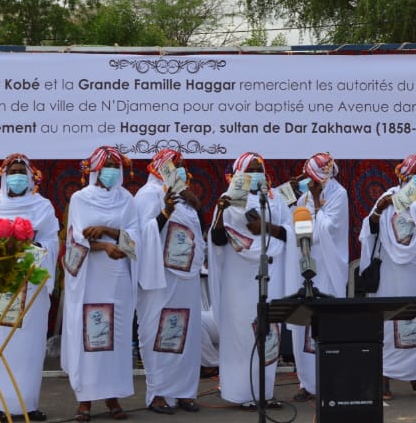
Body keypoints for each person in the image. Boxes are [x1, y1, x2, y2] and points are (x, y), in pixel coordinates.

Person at [61, 146, 141, 422]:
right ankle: (85, 400)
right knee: (89, 335)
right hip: (88, 276)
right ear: (94, 169)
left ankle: (113, 396)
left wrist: (109, 233)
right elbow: (75, 240)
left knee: (116, 338)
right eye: (105, 165)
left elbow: (134, 237)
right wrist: (104, 246)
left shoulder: (127, 199)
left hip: (117, 275)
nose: (110, 171)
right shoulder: (80, 198)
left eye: (114, 166)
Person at [0, 153, 59, 422]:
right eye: (11, 171)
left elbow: (52, 243)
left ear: (30, 176)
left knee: (29, 349)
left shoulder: (43, 206)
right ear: (3, 176)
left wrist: (33, 247)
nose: (16, 176)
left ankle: (26, 404)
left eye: (21, 171)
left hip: (31, 289)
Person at [207, 152, 291, 410]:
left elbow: (289, 234)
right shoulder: (228, 200)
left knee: (268, 334)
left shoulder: (274, 200)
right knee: (243, 334)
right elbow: (219, 240)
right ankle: (242, 393)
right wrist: (220, 213)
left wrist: (267, 227)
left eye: (260, 168)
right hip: (238, 279)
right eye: (252, 169)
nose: (257, 173)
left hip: (270, 274)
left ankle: (265, 392)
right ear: (240, 172)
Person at [359, 154, 416, 400]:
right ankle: (384, 378)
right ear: (403, 174)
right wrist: (380, 209)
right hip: (391, 272)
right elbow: (369, 227)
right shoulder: (389, 193)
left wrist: (403, 201)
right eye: (414, 172)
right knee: (388, 323)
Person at [134, 149, 203, 414]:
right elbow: (142, 234)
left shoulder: (185, 200)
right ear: (161, 168)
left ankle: (184, 392)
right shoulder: (147, 195)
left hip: (186, 277)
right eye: (176, 166)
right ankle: (158, 393)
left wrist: (190, 200)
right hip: (159, 277)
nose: (181, 171)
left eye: (183, 167)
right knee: (157, 333)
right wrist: (164, 211)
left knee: (187, 333)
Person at [283, 152, 348, 402]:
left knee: (326, 323)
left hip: (328, 269)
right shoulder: (303, 198)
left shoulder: (338, 195)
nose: (309, 183)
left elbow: (327, 229)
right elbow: (298, 230)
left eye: (312, 179)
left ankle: (329, 379)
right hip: (305, 265)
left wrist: (318, 204)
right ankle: (306, 383)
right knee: (304, 325)